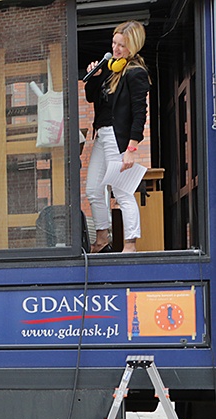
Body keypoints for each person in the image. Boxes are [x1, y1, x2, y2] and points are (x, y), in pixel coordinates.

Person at [83, 20, 150, 254]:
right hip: (101, 134)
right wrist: (95, 75)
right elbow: (92, 99)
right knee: (92, 188)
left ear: (133, 46)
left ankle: (130, 243)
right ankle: (102, 237)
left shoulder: (135, 73)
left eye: (122, 45)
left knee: (121, 191)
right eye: (114, 43)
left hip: (118, 136)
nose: (116, 49)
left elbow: (140, 113)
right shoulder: (110, 69)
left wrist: (132, 148)